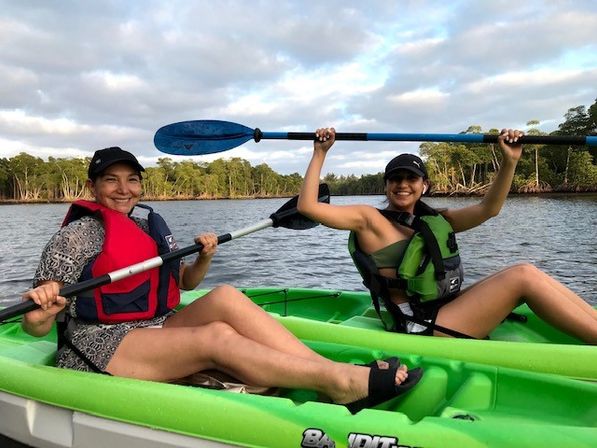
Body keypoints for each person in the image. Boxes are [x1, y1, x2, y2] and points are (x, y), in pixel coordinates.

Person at [21, 146, 422, 414]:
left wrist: (205, 258)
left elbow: (187, 284)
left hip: (154, 326)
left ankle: (324, 369)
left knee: (227, 296)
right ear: (93, 186)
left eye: (132, 180)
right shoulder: (73, 236)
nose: (123, 190)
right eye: (111, 180)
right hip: (97, 346)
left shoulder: (146, 228)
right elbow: (35, 325)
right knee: (215, 336)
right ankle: (337, 381)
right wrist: (44, 306)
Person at [297, 128, 597, 343]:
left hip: (442, 310)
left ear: (424, 185)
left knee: (524, 269)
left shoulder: (435, 220)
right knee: (522, 280)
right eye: (396, 179)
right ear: (387, 185)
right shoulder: (368, 219)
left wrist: (510, 161)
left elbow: (489, 208)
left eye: (411, 178)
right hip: (417, 325)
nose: (403, 185)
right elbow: (308, 206)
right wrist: (320, 152)